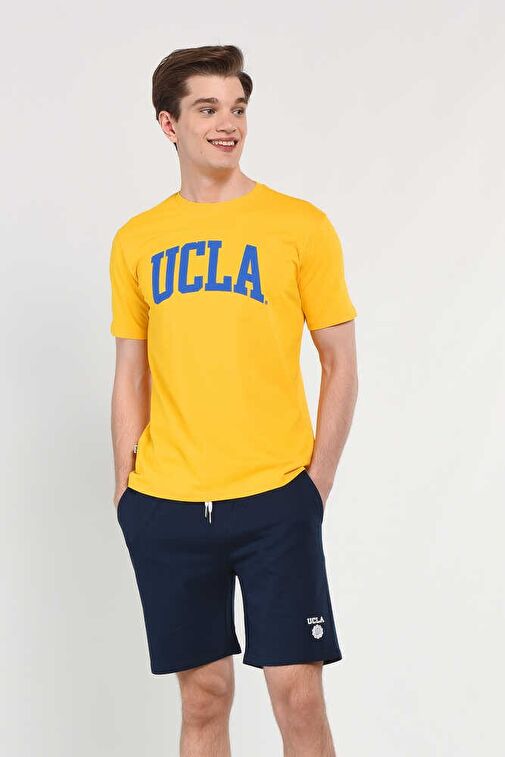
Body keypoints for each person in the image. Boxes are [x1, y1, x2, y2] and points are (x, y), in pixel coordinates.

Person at [109, 44, 358, 757]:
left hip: (276, 498)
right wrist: (126, 490)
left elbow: (340, 362)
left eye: (238, 108)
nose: (228, 124)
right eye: (208, 108)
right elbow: (130, 373)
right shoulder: (137, 240)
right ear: (169, 124)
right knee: (204, 697)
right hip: (167, 502)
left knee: (298, 695)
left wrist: (314, 485)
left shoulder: (299, 226)